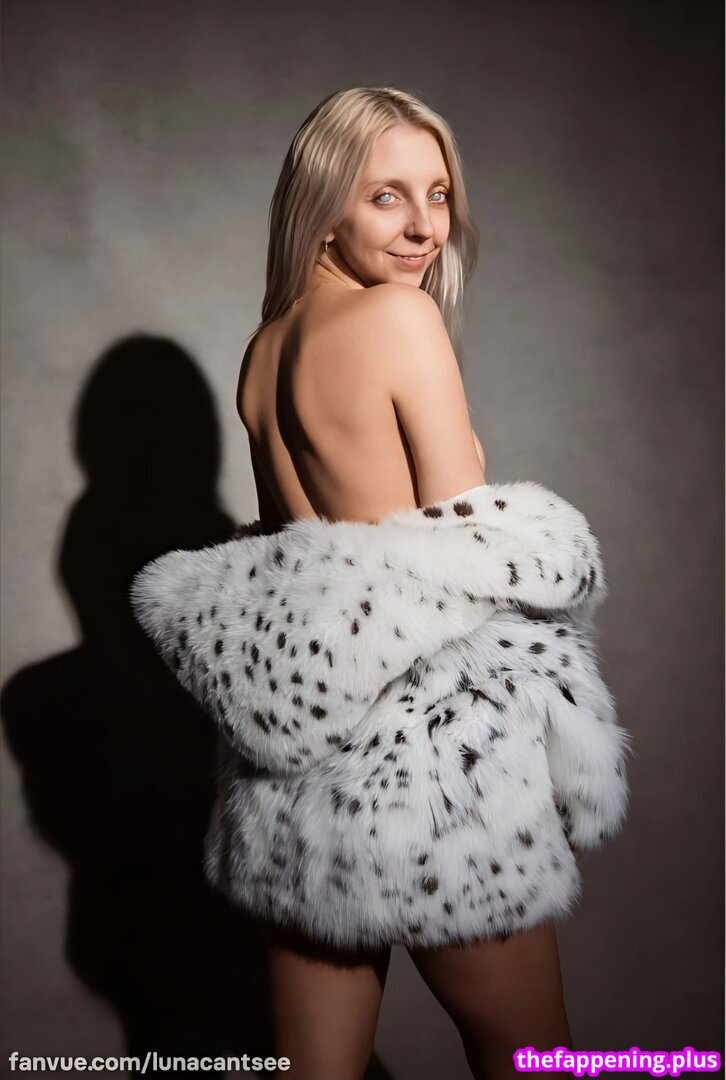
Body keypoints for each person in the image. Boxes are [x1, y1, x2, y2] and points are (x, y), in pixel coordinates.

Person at [236, 86, 572, 1080]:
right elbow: (475, 551)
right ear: (323, 206)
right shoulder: (399, 317)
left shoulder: (264, 349)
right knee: (536, 1060)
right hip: (430, 756)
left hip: (303, 757)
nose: (427, 225)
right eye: (387, 196)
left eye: (438, 193)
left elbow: (297, 562)